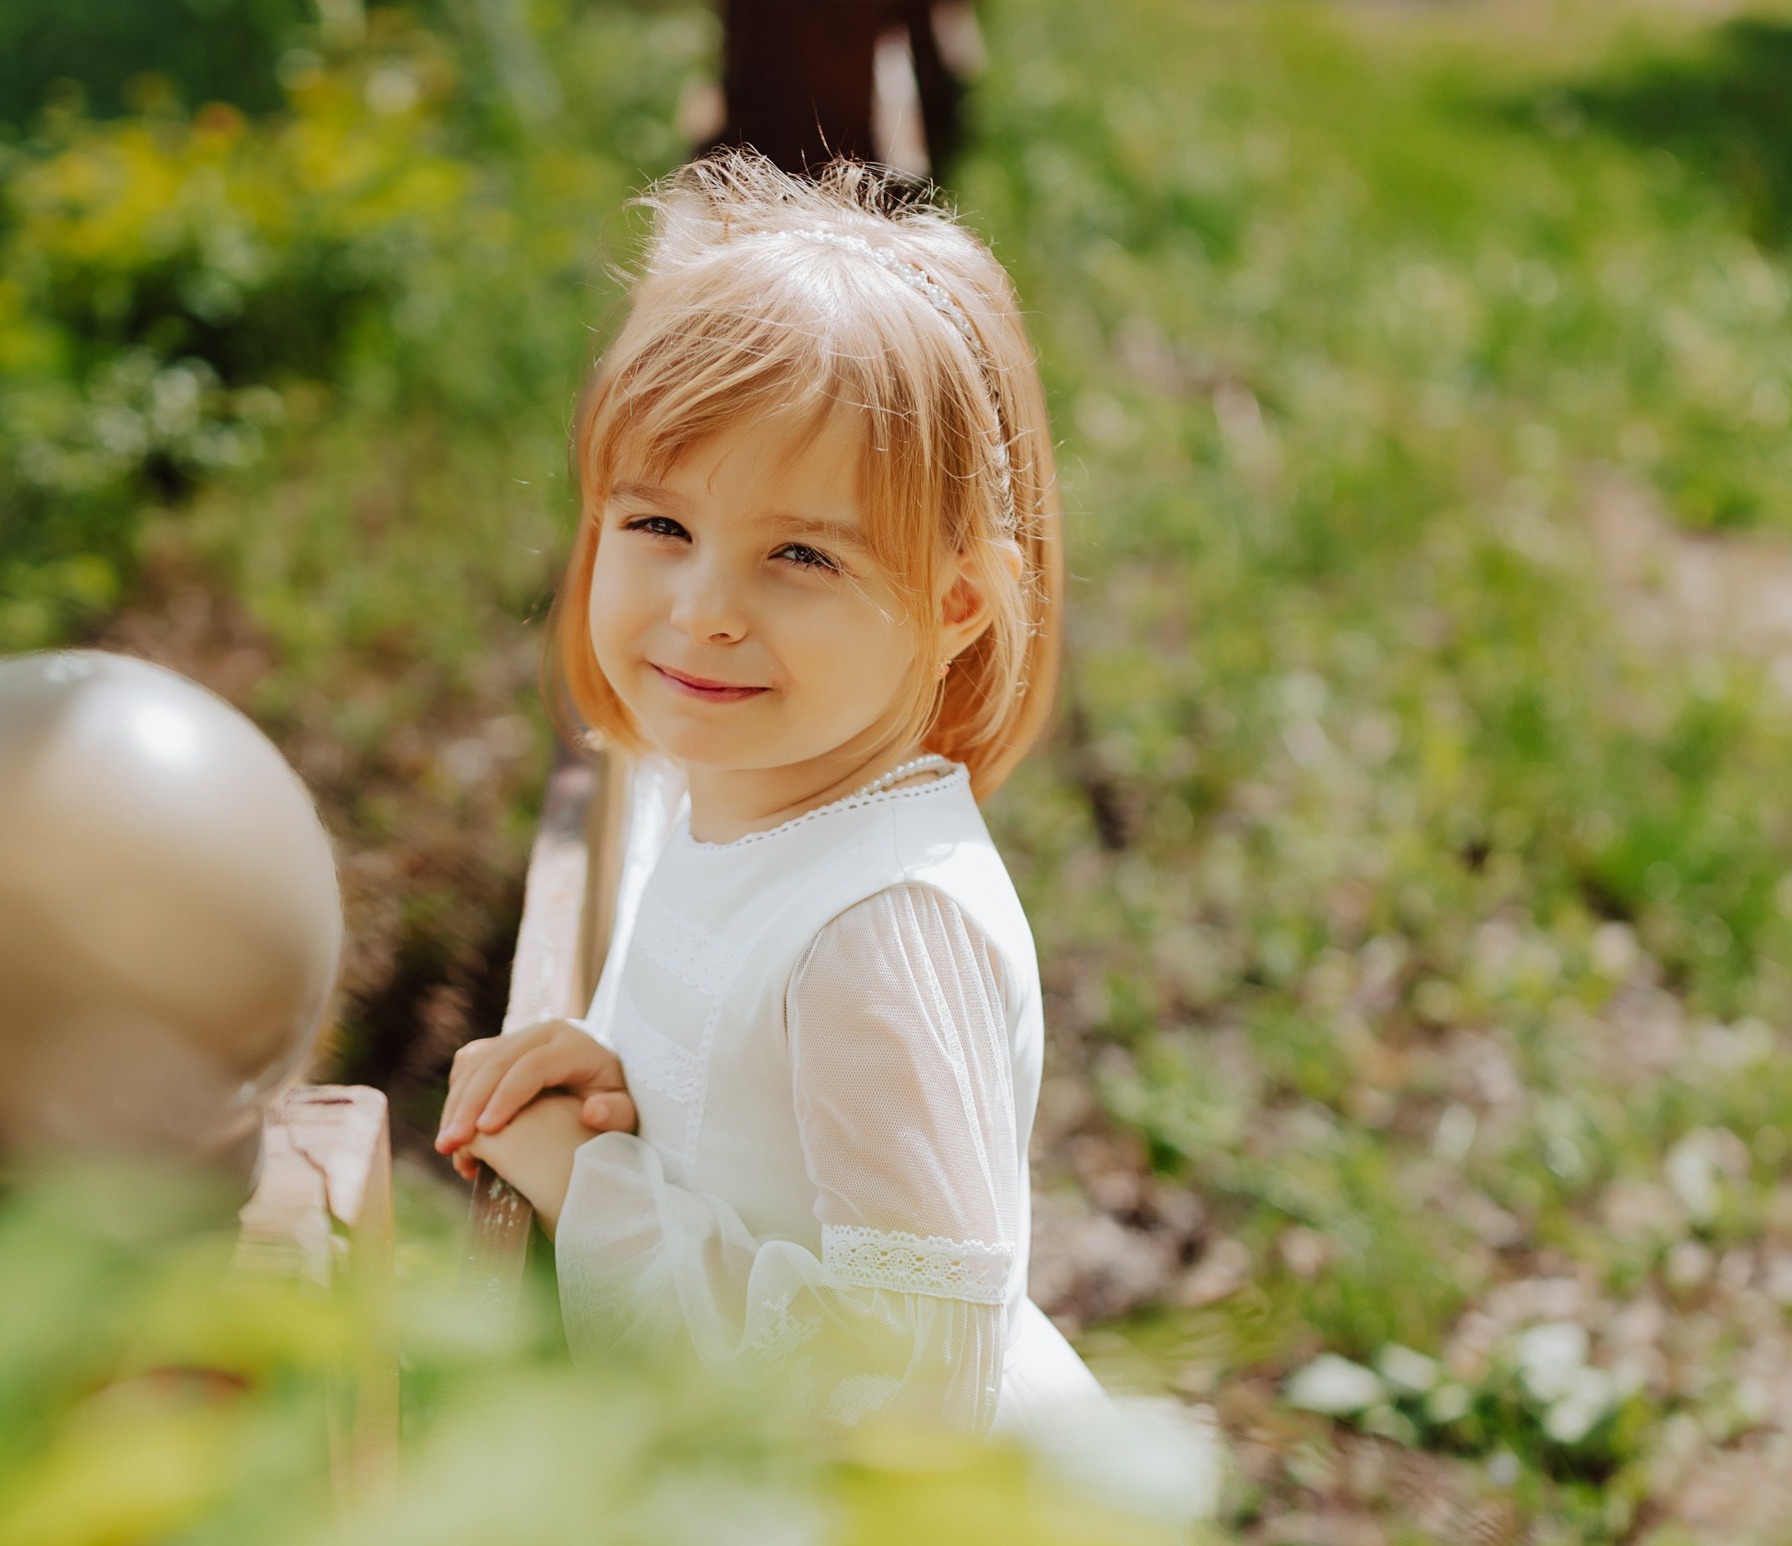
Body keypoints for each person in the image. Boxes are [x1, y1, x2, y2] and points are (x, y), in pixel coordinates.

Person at [432, 154, 1214, 1512]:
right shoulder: (735, 790)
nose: (706, 607)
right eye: (660, 522)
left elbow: (904, 1393)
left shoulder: (879, 928)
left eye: (803, 556)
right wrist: (627, 1076)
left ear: (961, 599)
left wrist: (599, 1186)